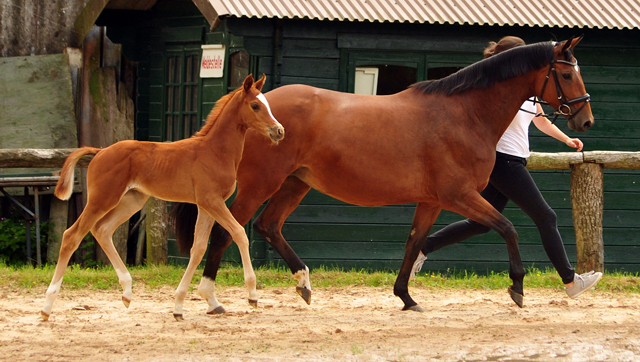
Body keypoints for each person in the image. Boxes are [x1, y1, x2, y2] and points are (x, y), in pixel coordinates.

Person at [411, 36, 602, 298]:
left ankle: (421, 250)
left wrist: (567, 139)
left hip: (516, 158)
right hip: (503, 161)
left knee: (479, 224)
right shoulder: (497, 91)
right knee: (546, 217)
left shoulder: (527, 92)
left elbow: (541, 122)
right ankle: (570, 281)